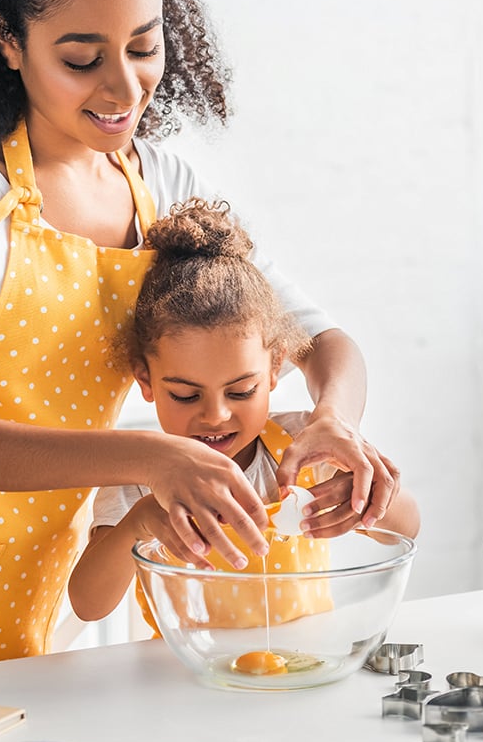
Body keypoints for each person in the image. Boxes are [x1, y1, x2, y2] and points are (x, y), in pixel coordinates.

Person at [0, 0, 406, 686]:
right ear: (8, 39)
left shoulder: (162, 186)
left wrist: (333, 421)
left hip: (36, 584)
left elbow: (321, 342)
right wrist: (147, 457)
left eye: (144, 47)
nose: (124, 86)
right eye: (83, 59)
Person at [68, 199, 420, 627]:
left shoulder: (302, 447)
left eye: (240, 391)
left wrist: (369, 493)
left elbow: (404, 530)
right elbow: (88, 605)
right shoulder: (140, 479)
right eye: (184, 395)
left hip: (302, 672)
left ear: (275, 370)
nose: (215, 415)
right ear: (145, 380)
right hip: (188, 679)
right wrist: (136, 526)